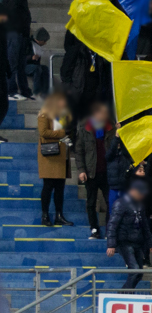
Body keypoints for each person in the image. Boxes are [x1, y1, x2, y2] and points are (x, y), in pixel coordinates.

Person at [70, 103, 116, 240]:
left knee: (110, 202)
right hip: (91, 173)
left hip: (108, 173)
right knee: (91, 203)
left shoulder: (112, 129)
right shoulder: (85, 129)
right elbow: (79, 152)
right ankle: (94, 229)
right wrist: (81, 170)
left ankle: (109, 230)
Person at [107, 179, 152, 291]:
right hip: (124, 242)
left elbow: (145, 226)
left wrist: (150, 243)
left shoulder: (140, 205)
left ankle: (126, 294)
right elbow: (112, 225)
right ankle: (122, 295)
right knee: (135, 270)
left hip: (137, 242)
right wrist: (111, 245)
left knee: (139, 273)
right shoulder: (120, 204)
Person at [34, 92, 70, 226]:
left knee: (60, 187)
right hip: (49, 155)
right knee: (48, 186)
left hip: (60, 154)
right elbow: (43, 132)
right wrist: (61, 133)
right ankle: (45, 215)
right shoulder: (44, 113)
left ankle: (59, 215)